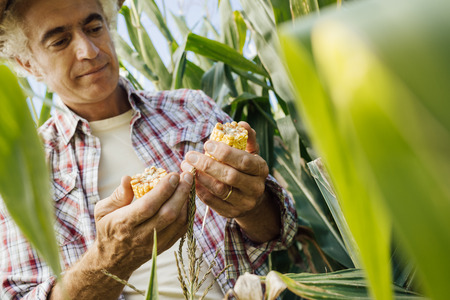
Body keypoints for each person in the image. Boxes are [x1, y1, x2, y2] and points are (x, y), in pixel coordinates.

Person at [0, 0, 297, 299]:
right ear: (27, 63)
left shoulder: (192, 108)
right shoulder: (20, 173)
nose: (89, 51)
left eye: (94, 27)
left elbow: (280, 233)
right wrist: (110, 259)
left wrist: (254, 205)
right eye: (60, 41)